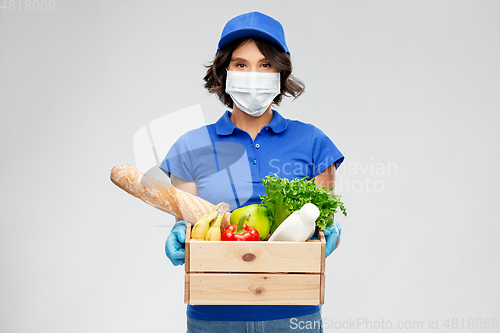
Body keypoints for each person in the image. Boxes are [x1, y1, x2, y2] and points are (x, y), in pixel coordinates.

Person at [162, 11, 344, 333]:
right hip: (213, 317)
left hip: (293, 315)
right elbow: (189, 220)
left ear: (280, 72)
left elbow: (323, 219)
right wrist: (180, 232)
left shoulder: (314, 143)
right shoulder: (191, 146)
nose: (253, 74)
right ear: (224, 71)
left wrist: (330, 234)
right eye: (241, 64)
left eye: (265, 65)